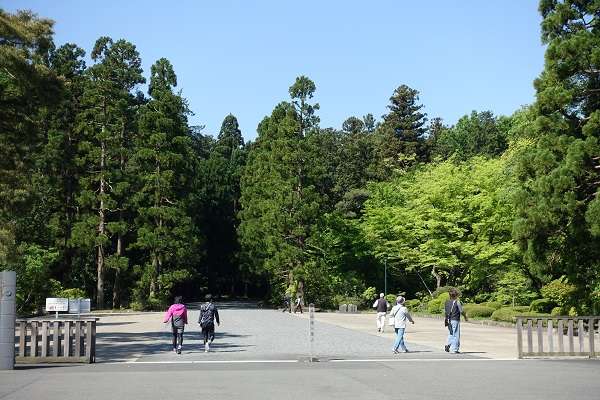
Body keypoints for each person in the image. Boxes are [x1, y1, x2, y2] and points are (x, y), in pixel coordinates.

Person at [444, 288, 468, 354]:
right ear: (456, 295)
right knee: (456, 334)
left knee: (451, 333)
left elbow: (445, 311)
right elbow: (461, 311)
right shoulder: (457, 302)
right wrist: (465, 317)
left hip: (448, 320)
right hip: (455, 319)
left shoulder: (446, 302)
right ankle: (455, 349)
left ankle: (448, 344)